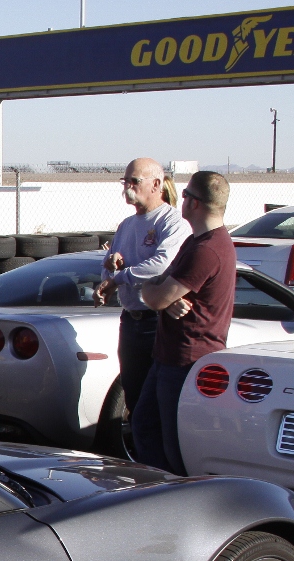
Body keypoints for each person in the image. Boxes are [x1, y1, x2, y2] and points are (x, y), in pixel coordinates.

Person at [131, 171, 235, 475]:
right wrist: (163, 293)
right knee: (145, 425)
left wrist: (158, 292)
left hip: (186, 360)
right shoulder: (197, 241)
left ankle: (177, 492)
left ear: (195, 203)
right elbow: (162, 288)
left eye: (186, 195)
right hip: (169, 356)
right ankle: (158, 488)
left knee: (174, 444)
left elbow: (155, 297)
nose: (181, 199)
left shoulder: (207, 250)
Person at [93, 158, 192, 420]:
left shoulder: (172, 222)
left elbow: (162, 264)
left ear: (156, 184)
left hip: (158, 322)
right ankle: (137, 443)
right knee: (134, 396)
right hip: (130, 321)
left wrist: (119, 278)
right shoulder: (126, 225)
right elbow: (109, 267)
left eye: (134, 181)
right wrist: (110, 273)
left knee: (158, 401)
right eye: (125, 181)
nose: (128, 187)